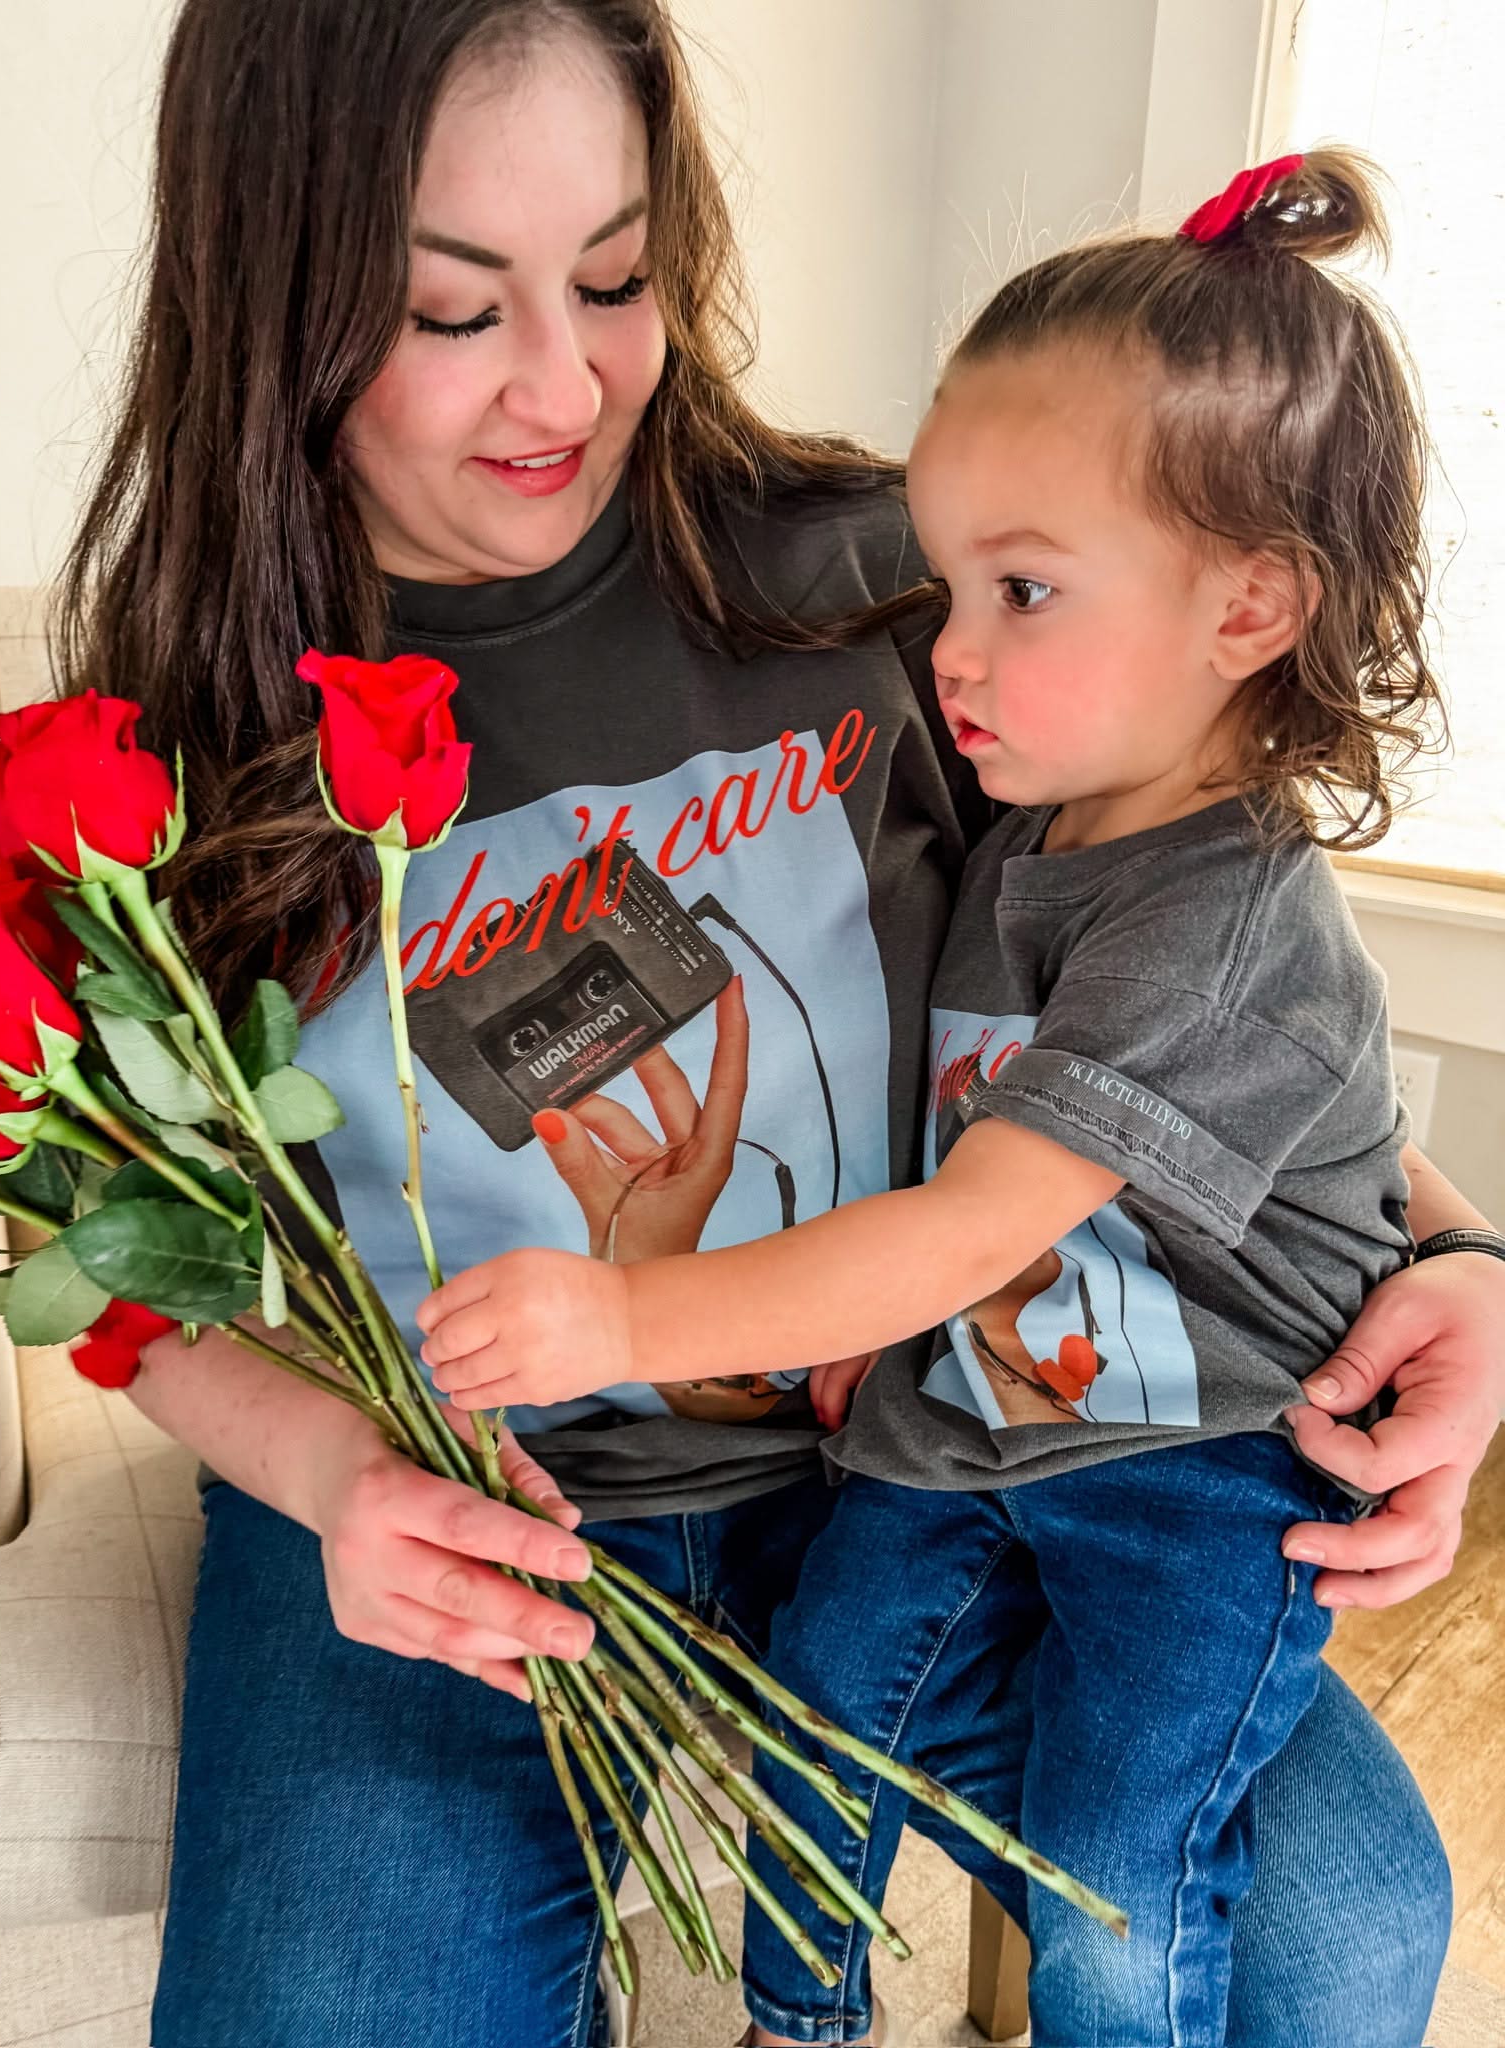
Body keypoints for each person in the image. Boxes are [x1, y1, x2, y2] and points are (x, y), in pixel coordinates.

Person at [44, 0, 1497, 2038]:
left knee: (1337, 1929)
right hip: (462, 1500)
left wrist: (1459, 1255)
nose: (565, 384)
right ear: (272, 300)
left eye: (615, 278)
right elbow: (117, 1248)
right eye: (453, 312)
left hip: (936, 1453)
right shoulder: (167, 743)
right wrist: (331, 1478)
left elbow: (1175, 991)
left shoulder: (914, 589)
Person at [415, 146, 1492, 2047]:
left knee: (1120, 1879)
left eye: (1023, 591)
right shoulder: (1035, 824)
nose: (954, 653)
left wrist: (629, 1314)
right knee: (820, 1710)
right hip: (969, 1420)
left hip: (1198, 1473)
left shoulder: (1224, 915)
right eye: (948, 581)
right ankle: (801, 2021)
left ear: (1250, 607)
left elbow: (981, 1216)